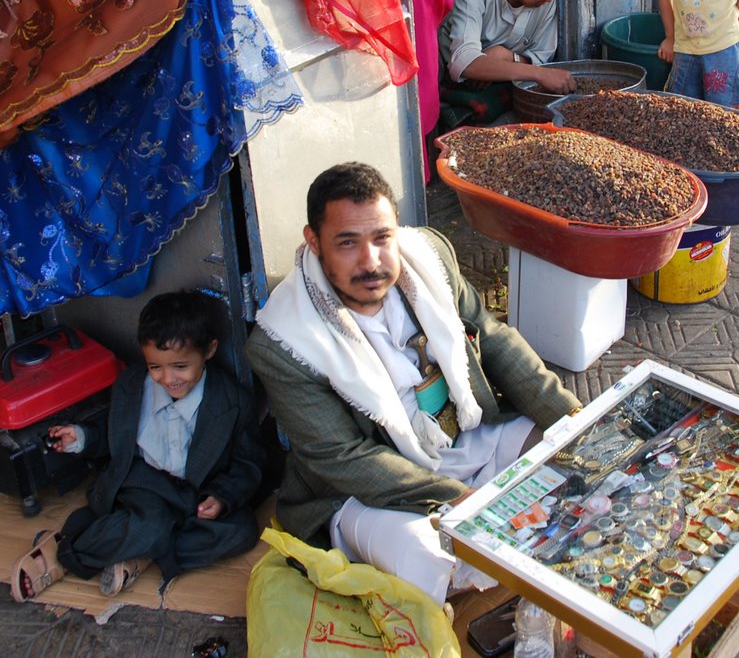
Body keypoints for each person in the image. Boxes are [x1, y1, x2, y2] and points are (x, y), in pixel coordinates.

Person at [244, 162, 581, 607]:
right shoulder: (283, 341)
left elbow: (493, 338)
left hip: (467, 435)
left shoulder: (429, 260)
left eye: (382, 238)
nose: (371, 261)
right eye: (347, 243)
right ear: (314, 242)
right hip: (373, 490)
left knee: (571, 460)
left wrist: (576, 420)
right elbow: (344, 459)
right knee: (426, 557)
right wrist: (463, 501)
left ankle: (494, 555)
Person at [10, 291, 265, 602]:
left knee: (242, 531)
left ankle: (137, 553)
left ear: (209, 350)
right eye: (155, 367)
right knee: (152, 522)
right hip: (143, 484)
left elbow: (248, 463)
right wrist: (82, 437)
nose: (168, 378)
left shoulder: (233, 400)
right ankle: (65, 554)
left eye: (180, 366)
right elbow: (114, 432)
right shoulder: (132, 385)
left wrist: (223, 497)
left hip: (195, 493)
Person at [438, 0, 577, 124]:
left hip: (503, 85)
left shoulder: (545, 2)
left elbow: (541, 57)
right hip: (452, 80)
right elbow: (463, 62)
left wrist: (508, 57)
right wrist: (540, 74)